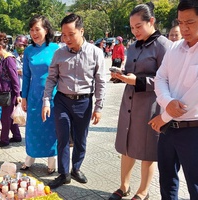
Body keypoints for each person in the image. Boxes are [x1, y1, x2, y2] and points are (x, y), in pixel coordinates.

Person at [109, 2, 172, 200]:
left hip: (150, 104)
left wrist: (138, 80)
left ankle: (143, 191)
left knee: (147, 149)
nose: (135, 31)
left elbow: (168, 79)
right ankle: (124, 185)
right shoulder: (134, 46)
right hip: (130, 102)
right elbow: (132, 71)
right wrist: (122, 75)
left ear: (151, 21)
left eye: (139, 26)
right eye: (132, 27)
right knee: (127, 145)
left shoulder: (163, 46)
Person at [42, 13, 106, 189]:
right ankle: (64, 174)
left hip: (84, 103)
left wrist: (99, 107)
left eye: (71, 34)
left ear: (81, 31)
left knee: (80, 139)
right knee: (62, 138)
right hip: (62, 101)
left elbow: (100, 81)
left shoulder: (95, 53)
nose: (67, 38)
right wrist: (46, 101)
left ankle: (76, 168)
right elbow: (51, 79)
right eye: (64, 35)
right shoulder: (59, 53)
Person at [148, 0, 198, 199]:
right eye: (180, 22)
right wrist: (167, 101)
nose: (184, 28)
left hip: (193, 130)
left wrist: (164, 117)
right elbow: (160, 78)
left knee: (195, 184)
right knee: (167, 180)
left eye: (190, 22)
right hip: (169, 130)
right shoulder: (175, 48)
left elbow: (193, 95)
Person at [20, 15, 59, 174]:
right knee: (32, 128)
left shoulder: (56, 48)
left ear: (46, 30)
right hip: (34, 94)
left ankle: (52, 161)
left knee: (51, 127)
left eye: (37, 29)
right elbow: (26, 75)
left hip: (53, 94)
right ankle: (30, 157)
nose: (34, 33)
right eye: (31, 30)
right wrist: (23, 97)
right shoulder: (29, 50)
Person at [0, 33, 21, 149]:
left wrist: (17, 94)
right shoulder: (2, 59)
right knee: (10, 116)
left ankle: (4, 139)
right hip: (4, 93)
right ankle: (17, 136)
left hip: (9, 93)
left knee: (5, 118)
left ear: (0, 47)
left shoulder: (9, 60)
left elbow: (14, 78)